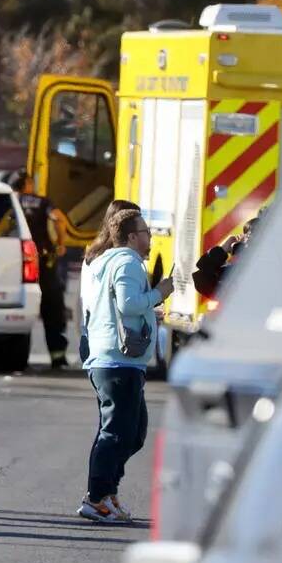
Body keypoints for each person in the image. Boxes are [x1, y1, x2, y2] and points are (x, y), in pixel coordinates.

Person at [78, 209, 174, 524]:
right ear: (132, 236)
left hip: (112, 359)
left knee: (133, 433)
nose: (150, 237)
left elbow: (112, 305)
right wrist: (158, 294)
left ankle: (108, 492)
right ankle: (96, 499)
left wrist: (148, 313)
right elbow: (128, 304)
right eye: (145, 231)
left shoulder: (105, 260)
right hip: (118, 361)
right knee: (117, 433)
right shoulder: (128, 262)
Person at [11, 172, 69, 369]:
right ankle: (57, 357)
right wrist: (61, 244)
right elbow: (59, 219)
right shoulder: (42, 202)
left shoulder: (10, 201)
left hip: (14, 263)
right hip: (43, 262)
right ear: (27, 183)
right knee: (52, 308)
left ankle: (15, 357)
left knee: (16, 307)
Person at [80, 199, 142, 363]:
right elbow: (124, 303)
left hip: (90, 334)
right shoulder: (120, 259)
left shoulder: (93, 252)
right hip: (115, 341)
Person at [193, 215, 259, 300]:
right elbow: (202, 280)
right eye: (245, 234)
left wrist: (229, 249)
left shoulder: (251, 267)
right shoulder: (236, 269)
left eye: (248, 234)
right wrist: (223, 250)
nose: (243, 238)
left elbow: (202, 280)